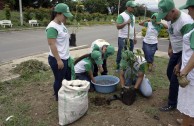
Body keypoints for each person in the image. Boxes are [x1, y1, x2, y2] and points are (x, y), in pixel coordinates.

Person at [157, 0, 193, 111]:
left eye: (165, 15)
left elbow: (188, 46)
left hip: (184, 53)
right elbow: (171, 34)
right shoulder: (170, 19)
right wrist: (170, 47)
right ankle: (177, 94)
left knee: (174, 79)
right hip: (175, 51)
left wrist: (180, 63)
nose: (164, 18)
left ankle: (172, 103)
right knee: (169, 72)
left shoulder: (185, 22)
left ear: (173, 11)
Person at [46, 3, 73, 101]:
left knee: (67, 78)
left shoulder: (61, 24)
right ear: (58, 13)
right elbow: (52, 44)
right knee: (59, 79)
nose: (66, 18)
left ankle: (65, 93)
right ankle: (58, 98)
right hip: (57, 59)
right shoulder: (52, 27)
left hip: (65, 57)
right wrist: (58, 60)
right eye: (65, 16)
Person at [176, 1, 194, 125]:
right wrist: (179, 64)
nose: (188, 12)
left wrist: (185, 71)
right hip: (188, 70)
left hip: (191, 75)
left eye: (189, 9)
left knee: (189, 107)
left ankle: (187, 122)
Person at [116, 1, 137, 71]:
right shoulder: (122, 15)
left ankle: (127, 66)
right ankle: (118, 66)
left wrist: (135, 37)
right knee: (122, 52)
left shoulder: (133, 16)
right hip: (122, 37)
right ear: (128, 7)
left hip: (130, 38)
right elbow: (118, 26)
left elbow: (133, 27)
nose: (134, 8)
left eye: (134, 7)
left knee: (130, 52)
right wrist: (126, 22)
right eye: (132, 7)